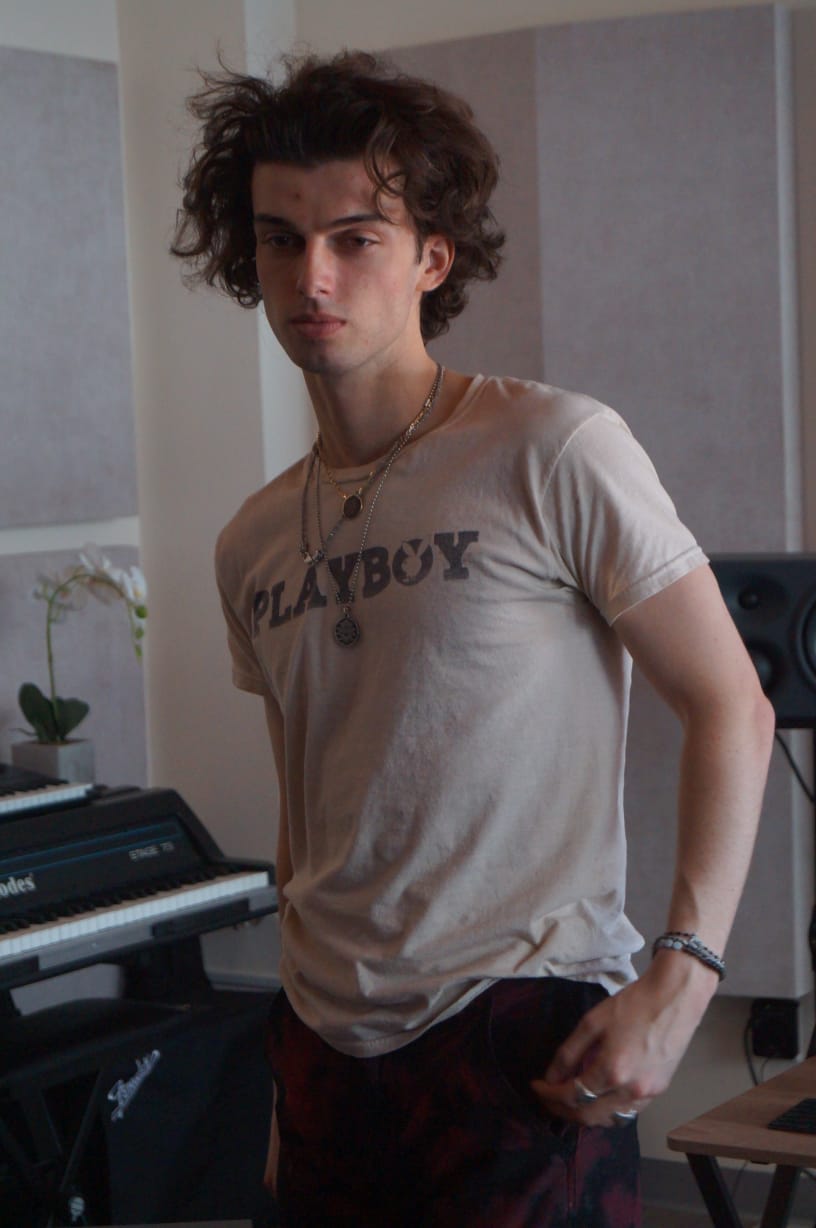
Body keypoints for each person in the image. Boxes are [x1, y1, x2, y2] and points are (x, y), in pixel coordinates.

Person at [172, 50, 775, 1228]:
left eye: (356, 237)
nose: (314, 275)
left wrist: (683, 978)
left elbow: (731, 703)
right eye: (282, 239)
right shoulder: (251, 540)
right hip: (325, 1059)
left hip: (517, 1039)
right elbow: (312, 813)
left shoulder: (551, 447)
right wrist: (292, 1081)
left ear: (432, 258)